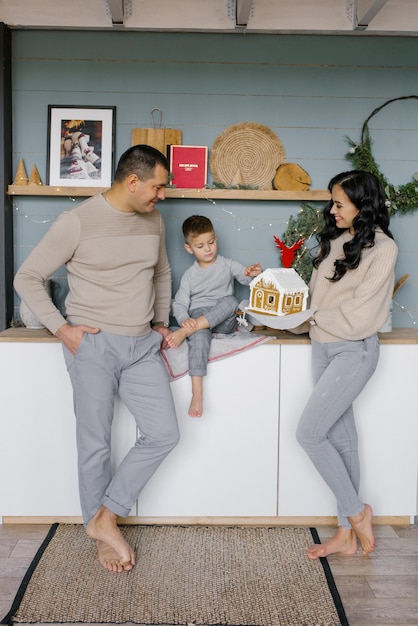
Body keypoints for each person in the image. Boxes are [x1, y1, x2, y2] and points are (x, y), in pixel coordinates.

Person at [14, 144, 180, 573]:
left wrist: (160, 322)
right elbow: (27, 277)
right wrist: (62, 329)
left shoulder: (154, 220)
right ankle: (100, 531)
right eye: (158, 187)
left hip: (142, 344)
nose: (161, 196)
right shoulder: (78, 221)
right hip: (94, 345)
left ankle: (106, 516)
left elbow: (160, 272)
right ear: (133, 181)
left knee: (163, 433)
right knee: (95, 443)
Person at [294, 170, 398, 559]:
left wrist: (313, 317)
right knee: (341, 440)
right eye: (332, 202)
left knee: (309, 434)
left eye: (339, 203)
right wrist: (297, 316)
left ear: (361, 205)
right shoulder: (336, 240)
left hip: (354, 351)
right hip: (321, 347)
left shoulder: (383, 248)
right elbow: (315, 298)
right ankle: (345, 534)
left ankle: (356, 512)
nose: (332, 210)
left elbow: (362, 314)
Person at [166, 215, 262, 418]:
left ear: (216, 238)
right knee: (200, 338)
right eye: (200, 246)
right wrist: (184, 318)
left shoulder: (227, 264)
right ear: (189, 248)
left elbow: (244, 278)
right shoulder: (190, 276)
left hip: (222, 319)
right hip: (198, 317)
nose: (208, 249)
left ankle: (186, 332)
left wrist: (252, 273)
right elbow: (180, 303)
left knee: (232, 301)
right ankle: (197, 394)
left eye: (211, 242)